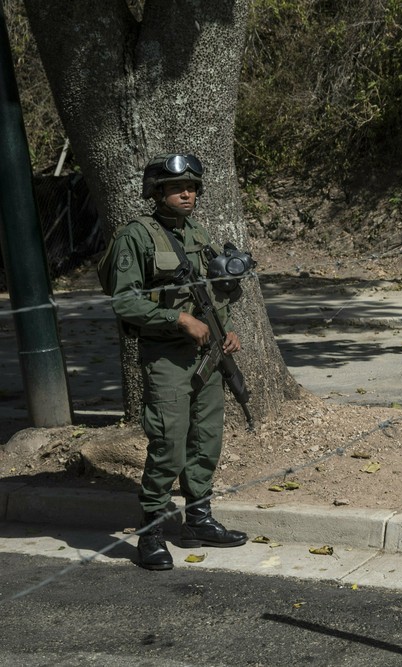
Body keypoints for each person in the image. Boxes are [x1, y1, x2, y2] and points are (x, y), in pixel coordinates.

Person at [104, 153, 249, 570]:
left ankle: (198, 520)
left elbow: (213, 291)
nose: (187, 193)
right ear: (157, 192)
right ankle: (151, 531)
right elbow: (124, 299)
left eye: (191, 188)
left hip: (207, 353)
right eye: (176, 188)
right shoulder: (136, 236)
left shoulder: (197, 232)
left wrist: (226, 329)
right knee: (168, 442)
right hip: (166, 355)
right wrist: (178, 318)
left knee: (206, 439)